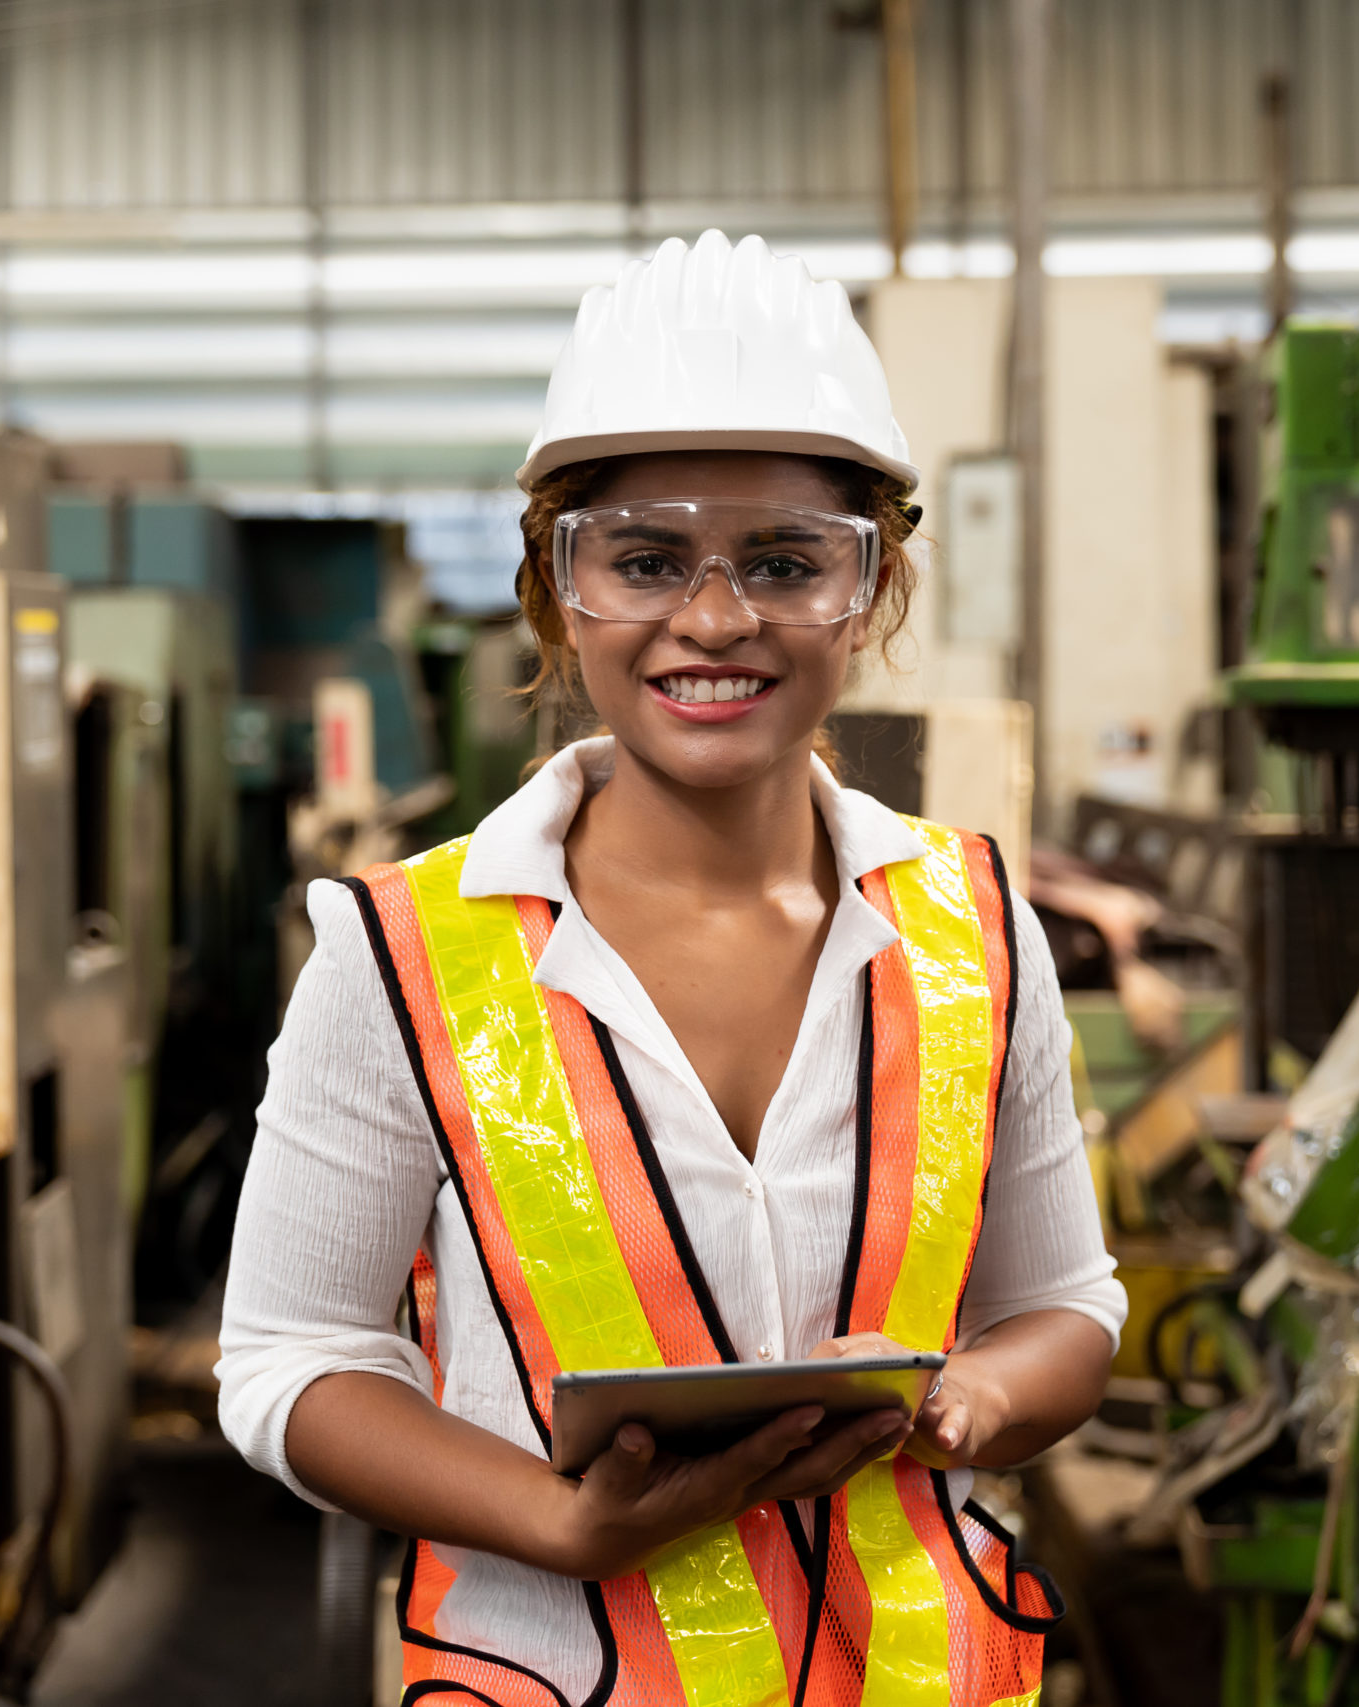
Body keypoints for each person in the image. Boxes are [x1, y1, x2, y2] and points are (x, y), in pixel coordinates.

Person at [219, 229, 1124, 1707]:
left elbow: (1069, 1307)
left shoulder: (974, 928)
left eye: (786, 564)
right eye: (642, 562)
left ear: (873, 589)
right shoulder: (400, 959)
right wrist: (556, 1525)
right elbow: (286, 1361)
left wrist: (974, 1400)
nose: (714, 621)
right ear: (553, 593)